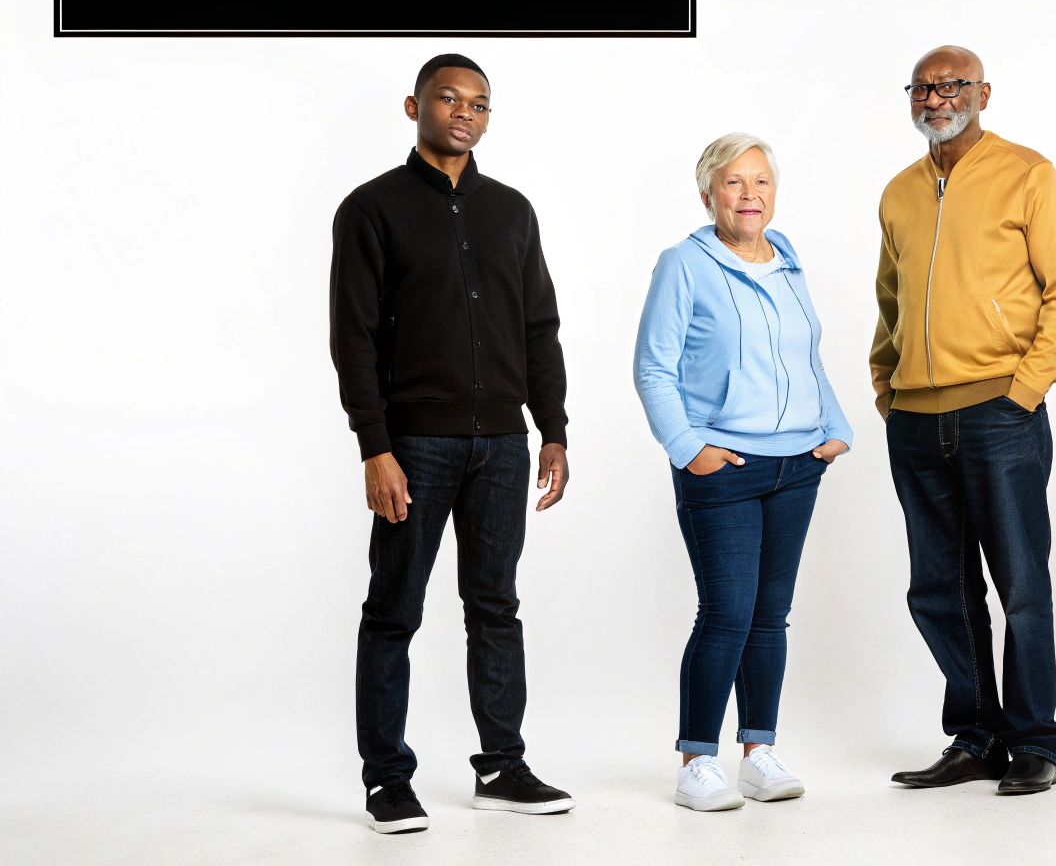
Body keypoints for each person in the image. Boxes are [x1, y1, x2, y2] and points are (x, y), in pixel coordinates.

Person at [330, 54, 575, 834]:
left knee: (495, 606)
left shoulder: (512, 211)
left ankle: (502, 765)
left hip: (503, 443)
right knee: (394, 610)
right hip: (416, 445)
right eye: (448, 98)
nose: (464, 112)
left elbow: (539, 325)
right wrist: (376, 445)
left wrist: (554, 428)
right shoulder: (371, 209)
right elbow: (353, 337)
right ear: (415, 107)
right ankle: (385, 781)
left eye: (479, 103)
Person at [872, 46, 1056, 796]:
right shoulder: (899, 191)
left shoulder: (1028, 172)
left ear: (984, 93)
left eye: (953, 84)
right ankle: (975, 735)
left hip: (1000, 412)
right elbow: (890, 298)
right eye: (924, 87)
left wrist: (1024, 390)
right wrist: (885, 383)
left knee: (1021, 583)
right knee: (939, 587)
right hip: (916, 417)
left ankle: (1034, 740)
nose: (937, 98)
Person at [635, 133, 853, 812]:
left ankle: (759, 751)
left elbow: (807, 356)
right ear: (708, 195)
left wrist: (836, 428)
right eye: (733, 182)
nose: (749, 194)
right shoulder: (684, 265)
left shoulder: (789, 264)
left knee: (770, 615)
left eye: (760, 181)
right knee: (726, 613)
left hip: (797, 464)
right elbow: (653, 367)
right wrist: (686, 446)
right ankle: (696, 760)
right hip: (722, 466)